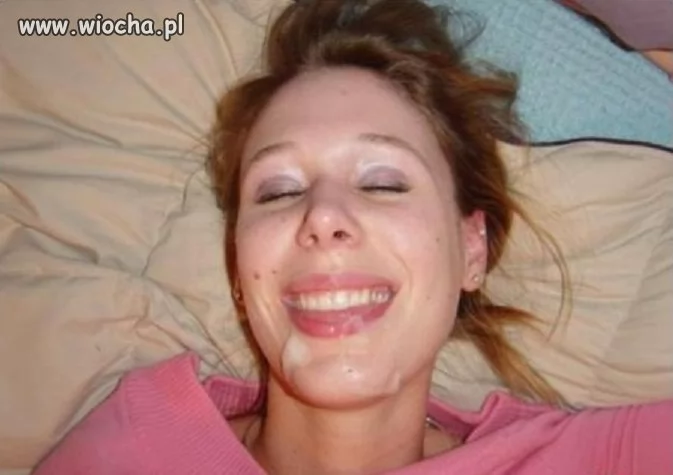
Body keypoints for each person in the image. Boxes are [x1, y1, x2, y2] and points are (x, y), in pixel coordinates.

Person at [33, 0, 673, 473]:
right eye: (278, 191)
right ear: (238, 270)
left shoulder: (602, 459)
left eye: (384, 182)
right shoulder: (133, 448)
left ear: (472, 251)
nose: (322, 215)